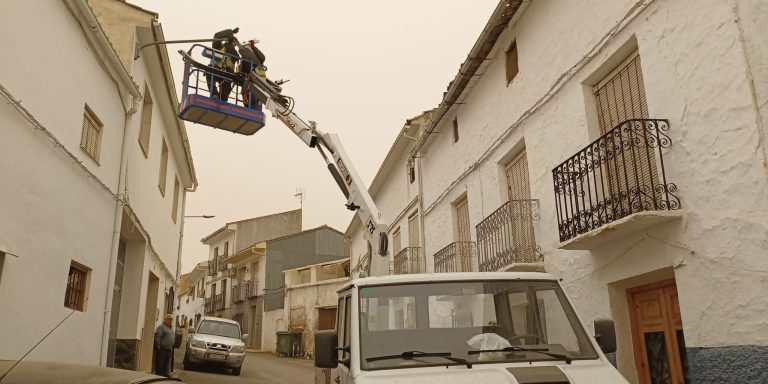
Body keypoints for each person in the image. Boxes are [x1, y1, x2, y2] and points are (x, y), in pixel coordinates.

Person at [206, 28, 240, 101]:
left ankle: (222, 101)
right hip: (216, 69)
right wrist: (231, 32)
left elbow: (242, 60)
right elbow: (217, 36)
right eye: (233, 40)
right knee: (209, 72)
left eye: (235, 42)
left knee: (224, 98)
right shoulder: (218, 46)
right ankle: (214, 94)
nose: (234, 43)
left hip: (228, 74)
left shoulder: (235, 53)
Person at [238, 38, 267, 109]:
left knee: (250, 105)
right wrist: (253, 46)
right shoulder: (259, 62)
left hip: (251, 86)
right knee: (257, 106)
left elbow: (242, 74)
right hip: (261, 86)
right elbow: (262, 57)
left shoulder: (246, 60)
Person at [153, 314, 175, 378]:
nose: (170, 321)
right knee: (160, 364)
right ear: (165, 320)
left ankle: (165, 377)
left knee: (166, 365)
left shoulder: (170, 329)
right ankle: (159, 377)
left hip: (169, 349)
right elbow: (158, 338)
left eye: (171, 319)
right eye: (169, 319)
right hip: (162, 349)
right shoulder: (161, 327)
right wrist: (159, 347)